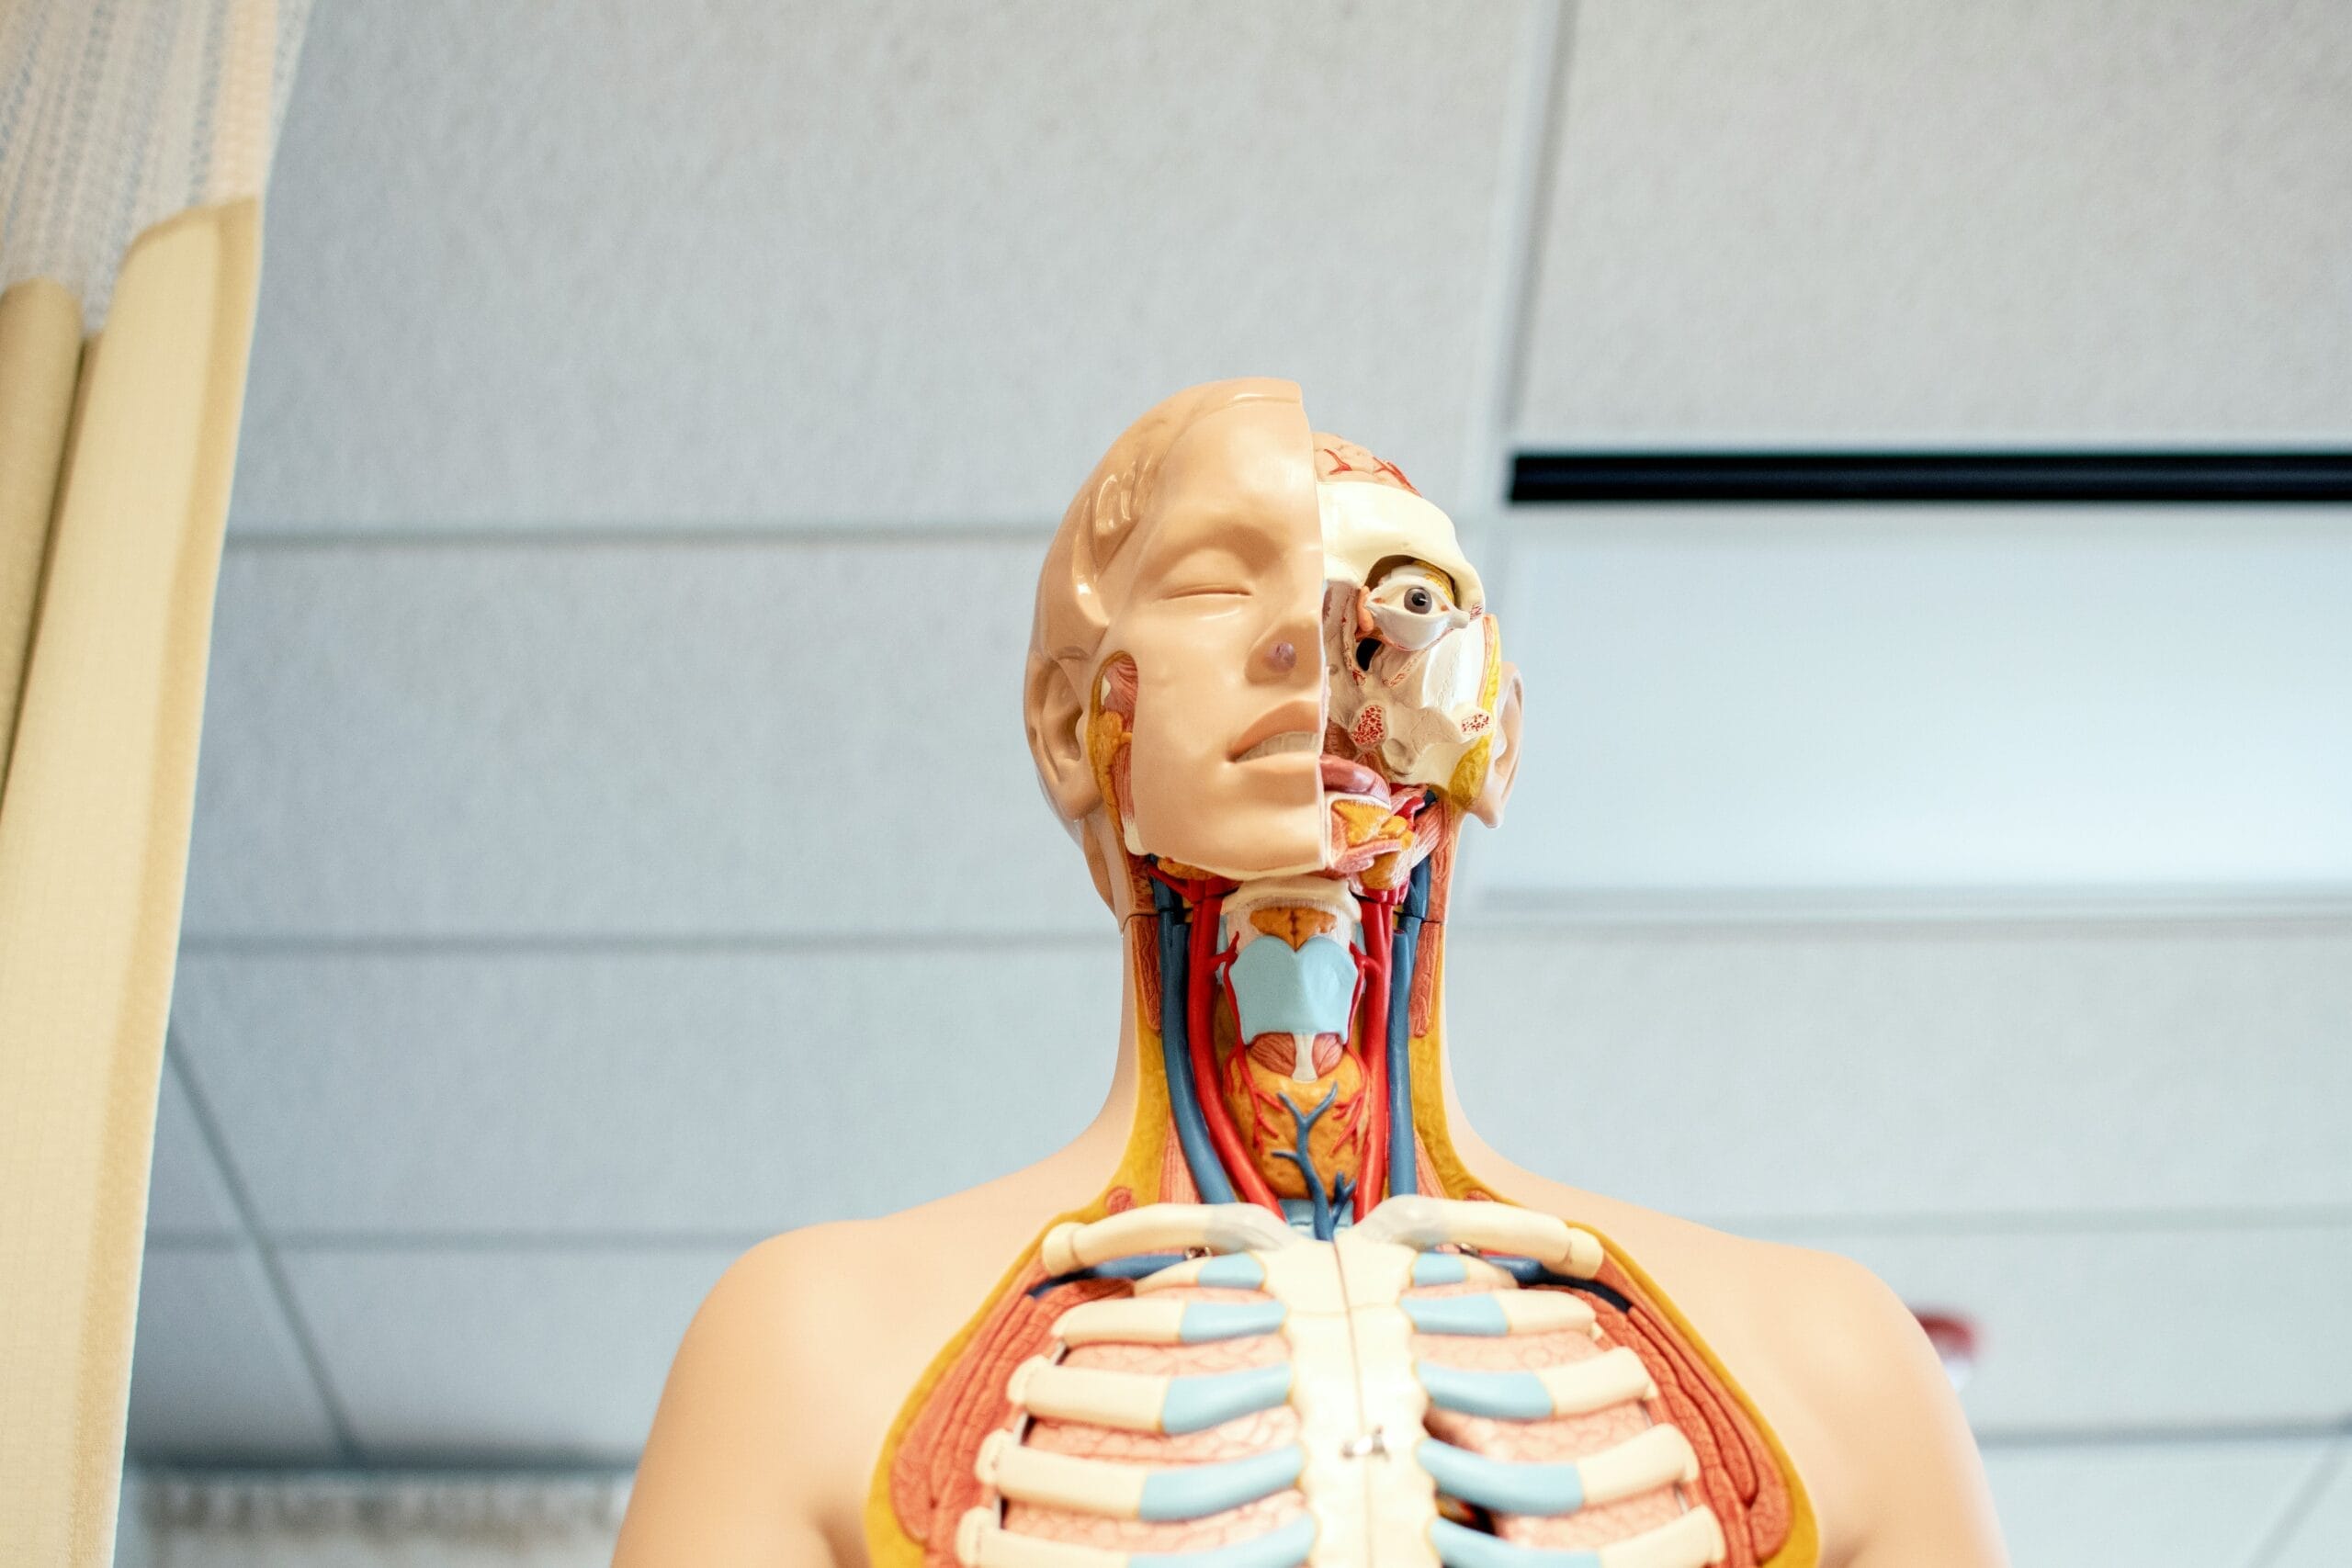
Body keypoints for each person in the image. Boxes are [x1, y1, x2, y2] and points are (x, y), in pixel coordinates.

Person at [613, 379, 2006, 1568]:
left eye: (1407, 601)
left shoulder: (1837, 1364)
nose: (1328, 647)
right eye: (1226, 582)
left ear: (1495, 734)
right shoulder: (803, 1354)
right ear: (1069, 723)